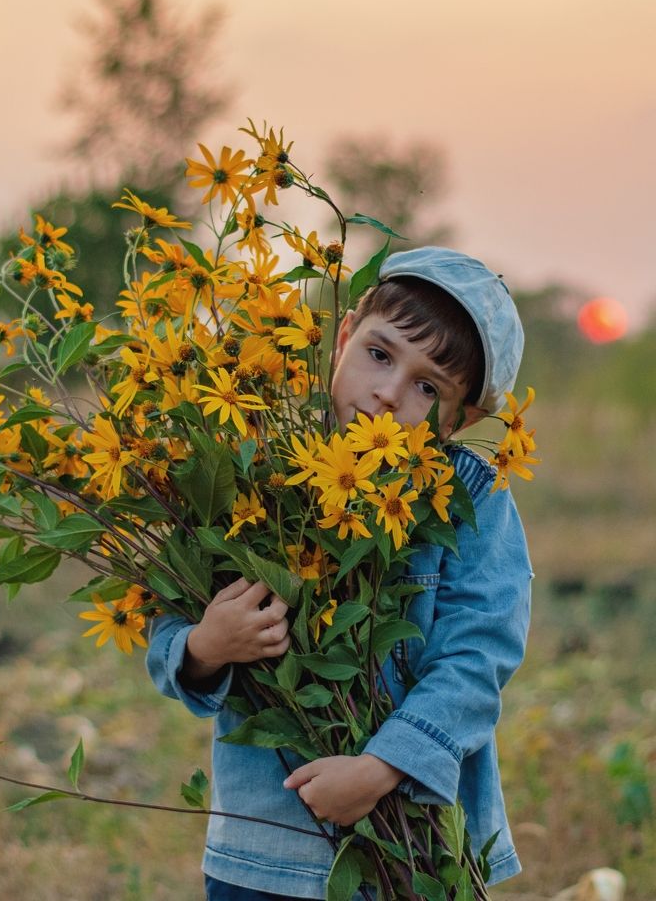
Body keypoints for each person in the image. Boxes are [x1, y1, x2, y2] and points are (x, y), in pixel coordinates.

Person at [146, 246, 533, 900]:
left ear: (465, 420)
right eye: (380, 355)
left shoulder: (471, 495)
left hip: (413, 840)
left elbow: (481, 647)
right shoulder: (252, 464)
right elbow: (166, 620)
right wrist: (206, 646)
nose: (388, 393)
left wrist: (383, 766)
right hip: (262, 845)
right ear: (345, 336)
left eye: (428, 386)